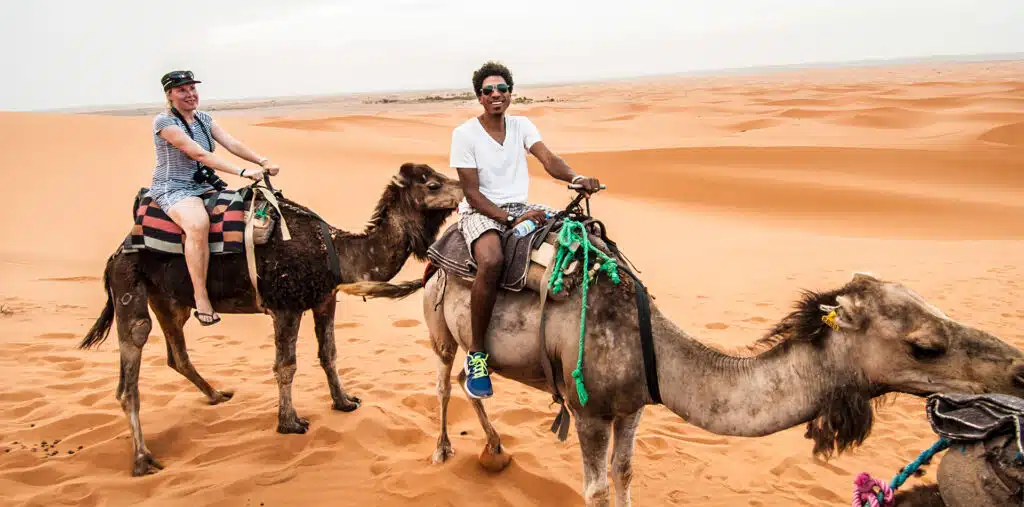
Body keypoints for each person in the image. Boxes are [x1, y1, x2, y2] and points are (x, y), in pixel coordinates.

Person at [449, 61, 602, 398]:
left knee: (581, 234)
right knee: (491, 259)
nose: (496, 95)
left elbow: (549, 160)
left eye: (502, 89)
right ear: (479, 96)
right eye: (488, 90)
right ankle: (477, 354)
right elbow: (472, 193)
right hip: (481, 211)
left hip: (521, 205)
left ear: (510, 94)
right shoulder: (464, 135)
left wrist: (575, 178)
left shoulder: (521, 126)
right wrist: (507, 220)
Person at [150, 70, 281, 326]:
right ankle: (201, 298)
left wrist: (261, 161)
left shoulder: (203, 119)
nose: (190, 94)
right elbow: (198, 154)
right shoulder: (164, 123)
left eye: (192, 88)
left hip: (203, 186)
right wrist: (242, 172)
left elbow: (231, 143)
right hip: (173, 188)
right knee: (198, 224)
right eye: (181, 90)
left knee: (247, 213)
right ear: (169, 95)